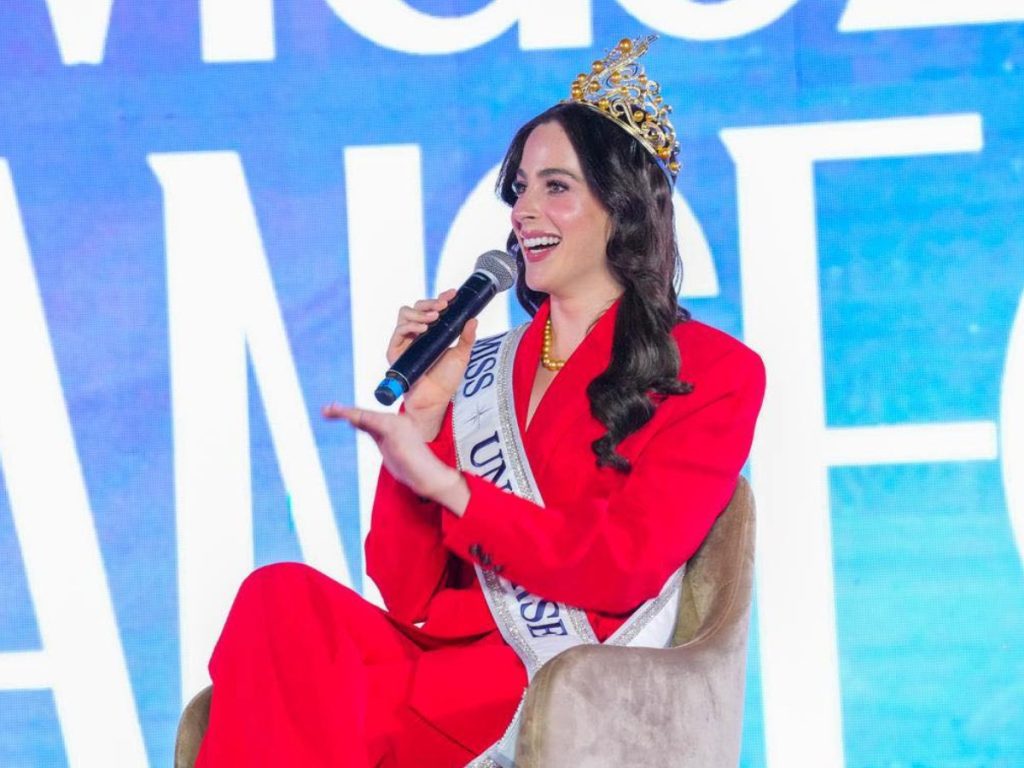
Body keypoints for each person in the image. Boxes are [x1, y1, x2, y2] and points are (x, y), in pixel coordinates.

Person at [193, 35, 765, 768]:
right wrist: (427, 410)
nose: (524, 210)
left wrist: (456, 490)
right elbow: (406, 592)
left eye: (556, 187)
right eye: (519, 189)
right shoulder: (483, 367)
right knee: (279, 598)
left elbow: (625, 565)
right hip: (442, 666)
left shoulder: (715, 371)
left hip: (554, 688)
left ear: (620, 208)